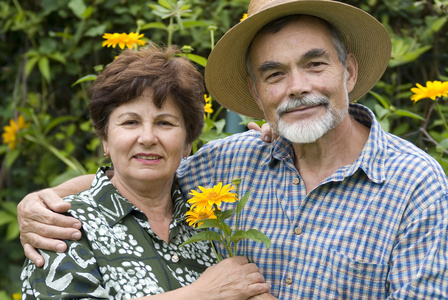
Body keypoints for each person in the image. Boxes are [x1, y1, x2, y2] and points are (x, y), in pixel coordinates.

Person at [18, 0, 448, 298]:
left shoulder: (415, 184)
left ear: (348, 71)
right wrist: (42, 201)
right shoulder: (231, 162)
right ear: (256, 93)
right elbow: (141, 177)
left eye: (314, 64)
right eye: (274, 74)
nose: (297, 87)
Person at [19, 43, 272, 299]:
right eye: (130, 122)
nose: (148, 137)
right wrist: (200, 295)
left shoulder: (208, 222)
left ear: (188, 143)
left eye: (165, 122)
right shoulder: (63, 225)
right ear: (106, 139)